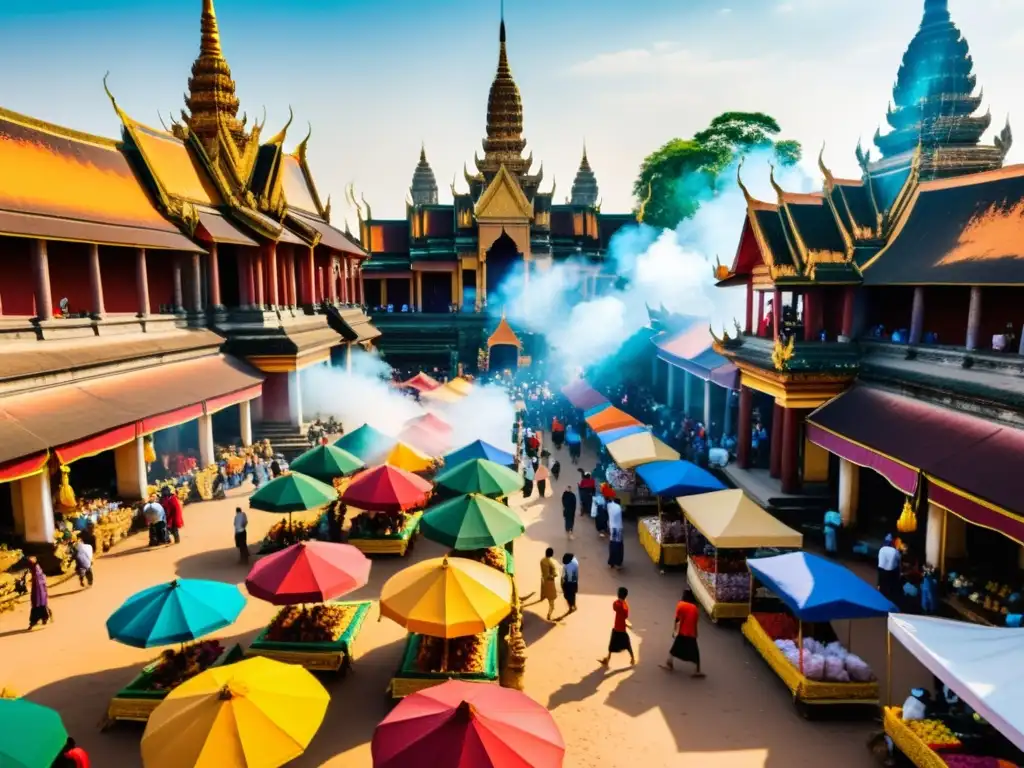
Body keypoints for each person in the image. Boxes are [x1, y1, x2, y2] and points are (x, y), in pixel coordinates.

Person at [661, 590, 704, 677]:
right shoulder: (695, 608)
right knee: (695, 652)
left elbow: (677, 620)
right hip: (691, 633)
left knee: (675, 648)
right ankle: (697, 670)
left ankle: (669, 664)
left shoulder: (681, 605)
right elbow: (695, 622)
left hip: (682, 632)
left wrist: (674, 631)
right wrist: (695, 633)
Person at [599, 587, 636, 667]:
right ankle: (631, 658)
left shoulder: (619, 604)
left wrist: (618, 601)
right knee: (625, 645)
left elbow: (614, 606)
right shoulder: (625, 605)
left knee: (615, 645)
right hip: (621, 628)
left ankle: (632, 658)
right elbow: (625, 616)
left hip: (618, 628)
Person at [877, 534, 902, 603]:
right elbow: (899, 561)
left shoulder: (881, 549)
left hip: (881, 570)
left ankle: (880, 595)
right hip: (890, 571)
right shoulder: (895, 551)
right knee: (890, 585)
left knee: (881, 584)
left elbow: (879, 560)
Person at [27, 556, 50, 629]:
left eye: (31, 560)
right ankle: (42, 619)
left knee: (38, 605)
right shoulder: (34, 568)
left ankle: (35, 621)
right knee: (39, 605)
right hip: (38, 589)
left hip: (39, 590)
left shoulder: (36, 568)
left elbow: (39, 578)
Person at [538, 547, 559, 621]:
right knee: (552, 603)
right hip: (549, 582)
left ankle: (542, 598)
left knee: (544, 594)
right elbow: (555, 574)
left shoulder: (542, 560)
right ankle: (549, 615)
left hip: (543, 580)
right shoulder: (551, 562)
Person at [607, 497, 624, 569]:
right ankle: (618, 562)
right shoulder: (618, 508)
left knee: (612, 545)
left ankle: (612, 562)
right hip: (618, 529)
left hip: (612, 529)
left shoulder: (610, 506)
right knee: (618, 546)